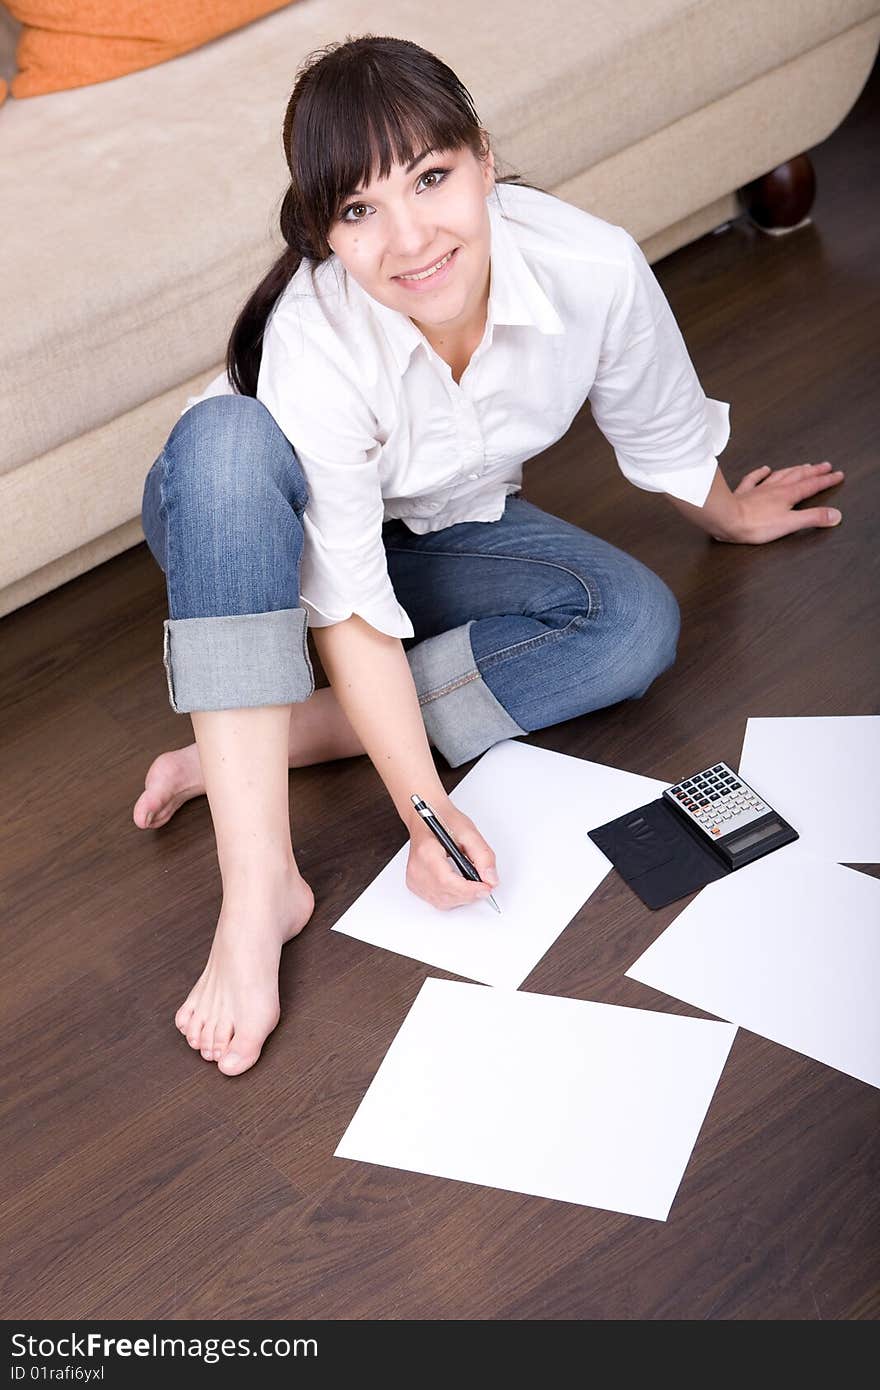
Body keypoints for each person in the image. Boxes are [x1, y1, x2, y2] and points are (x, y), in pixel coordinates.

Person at [135, 35, 844, 1078]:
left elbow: (658, 429)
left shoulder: (590, 266)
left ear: (483, 158)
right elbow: (351, 609)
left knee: (635, 623)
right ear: (325, 229)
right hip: (245, 534)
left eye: (431, 177)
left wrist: (729, 516)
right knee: (227, 445)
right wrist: (425, 814)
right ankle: (259, 890)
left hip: (425, 529)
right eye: (359, 210)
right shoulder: (312, 335)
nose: (410, 237)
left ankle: (251, 741)